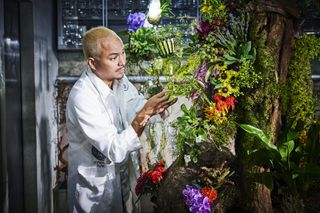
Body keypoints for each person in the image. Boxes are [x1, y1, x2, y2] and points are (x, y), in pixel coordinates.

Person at [66, 26, 176, 213]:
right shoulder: (83, 96)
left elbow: (136, 106)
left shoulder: (120, 81)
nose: (122, 62)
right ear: (92, 63)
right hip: (95, 187)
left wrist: (159, 105)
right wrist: (145, 113)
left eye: (123, 54)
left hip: (123, 178)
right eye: (113, 57)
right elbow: (114, 149)